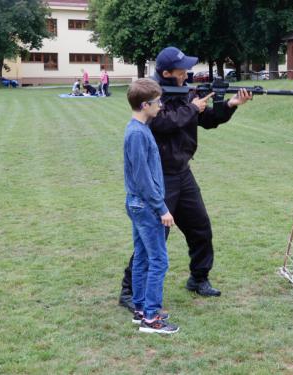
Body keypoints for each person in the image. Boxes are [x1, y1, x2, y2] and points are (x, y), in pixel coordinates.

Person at [119, 46, 252, 311]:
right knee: (154, 236)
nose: (187, 74)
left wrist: (230, 105)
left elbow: (209, 119)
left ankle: (198, 278)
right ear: (166, 73)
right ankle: (129, 291)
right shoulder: (152, 95)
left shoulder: (186, 91)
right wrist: (192, 108)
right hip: (160, 177)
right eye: (181, 71)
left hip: (183, 172)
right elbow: (163, 124)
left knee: (200, 227)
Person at [124, 78, 179, 334]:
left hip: (141, 204)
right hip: (145, 205)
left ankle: (140, 308)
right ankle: (151, 319)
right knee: (158, 260)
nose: (161, 106)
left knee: (143, 257)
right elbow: (142, 179)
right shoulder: (136, 133)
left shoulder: (142, 128)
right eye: (157, 102)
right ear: (145, 105)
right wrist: (162, 208)